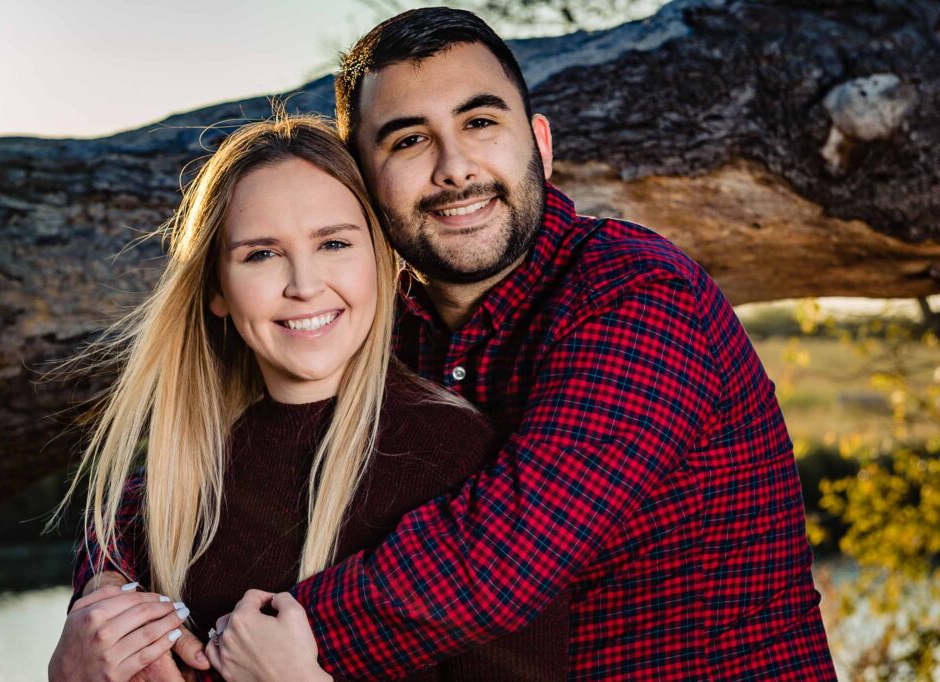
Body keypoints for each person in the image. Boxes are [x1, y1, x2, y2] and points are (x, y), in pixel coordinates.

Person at [207, 8, 837, 681]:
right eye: (409, 139)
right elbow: (213, 456)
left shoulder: (636, 295)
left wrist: (221, 653)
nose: (454, 168)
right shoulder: (367, 325)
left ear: (539, 143)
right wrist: (112, 589)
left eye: (480, 123)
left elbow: (497, 561)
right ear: (361, 180)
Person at [47, 117, 570, 681]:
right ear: (217, 289)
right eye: (261, 255)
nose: (303, 283)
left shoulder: (458, 460)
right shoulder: (169, 485)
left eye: (334, 243)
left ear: (383, 261)